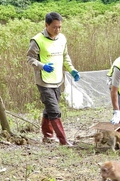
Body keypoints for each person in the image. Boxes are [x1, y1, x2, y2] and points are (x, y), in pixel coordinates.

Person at [27, 12, 80, 146]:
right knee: (54, 110)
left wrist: (72, 70)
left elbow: (65, 56)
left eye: (60, 27)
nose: (57, 30)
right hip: (44, 81)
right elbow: (30, 58)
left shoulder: (62, 38)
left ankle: (48, 136)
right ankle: (63, 140)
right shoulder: (37, 40)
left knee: (49, 109)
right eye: (54, 27)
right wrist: (42, 66)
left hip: (58, 79)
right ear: (46, 25)